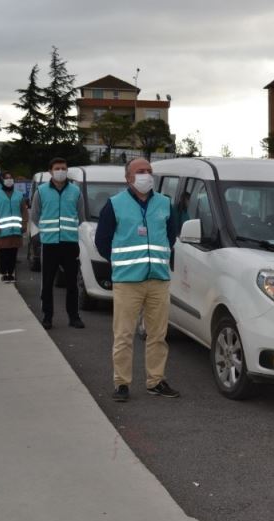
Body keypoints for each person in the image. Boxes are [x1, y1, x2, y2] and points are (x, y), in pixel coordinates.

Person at [95, 157, 179, 402]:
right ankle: (121, 383)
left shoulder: (165, 203)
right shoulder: (115, 204)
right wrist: (120, 265)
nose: (146, 175)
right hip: (127, 282)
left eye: (149, 171)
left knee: (158, 335)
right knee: (123, 335)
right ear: (128, 178)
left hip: (158, 280)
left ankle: (156, 381)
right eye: (140, 171)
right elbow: (102, 241)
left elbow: (171, 236)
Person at [30, 157, 86, 329]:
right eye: (57, 168)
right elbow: (35, 216)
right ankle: (47, 316)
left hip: (70, 244)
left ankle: (74, 316)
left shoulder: (76, 192)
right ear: (50, 171)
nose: (61, 171)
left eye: (63, 168)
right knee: (47, 283)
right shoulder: (41, 191)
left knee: (72, 283)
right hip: (50, 244)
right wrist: (47, 232)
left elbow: (81, 216)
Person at [0, 171, 28, 283]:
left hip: (16, 231)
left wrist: (24, 223)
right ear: (2, 180)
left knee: (13, 253)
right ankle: (4, 273)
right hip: (1, 231)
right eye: (6, 178)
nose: (9, 180)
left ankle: (11, 273)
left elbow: (24, 211)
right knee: (3, 254)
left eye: (11, 177)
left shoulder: (19, 195)